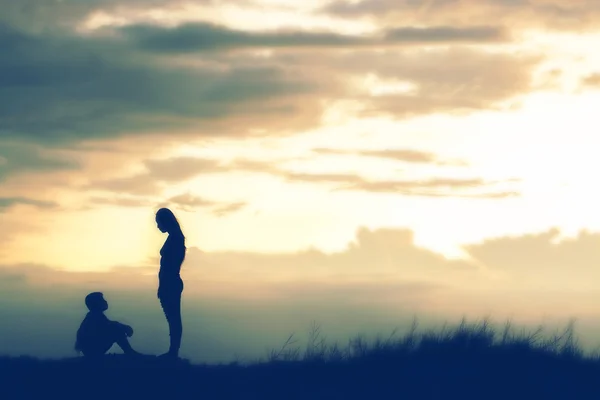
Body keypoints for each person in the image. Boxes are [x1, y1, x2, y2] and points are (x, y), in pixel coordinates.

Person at [155, 207, 186, 359]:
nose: (158, 226)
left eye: (158, 223)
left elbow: (171, 266)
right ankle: (172, 351)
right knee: (172, 318)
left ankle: (173, 352)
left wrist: (163, 285)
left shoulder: (176, 238)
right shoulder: (175, 237)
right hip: (169, 282)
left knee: (173, 318)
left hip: (171, 283)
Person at [75, 292, 141, 358]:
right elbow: (110, 326)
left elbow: (108, 324)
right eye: (102, 300)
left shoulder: (96, 315)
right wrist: (123, 327)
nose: (105, 301)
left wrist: (122, 326)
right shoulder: (94, 316)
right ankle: (129, 351)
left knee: (115, 327)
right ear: (96, 303)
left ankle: (129, 351)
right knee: (116, 329)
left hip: (90, 349)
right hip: (92, 350)